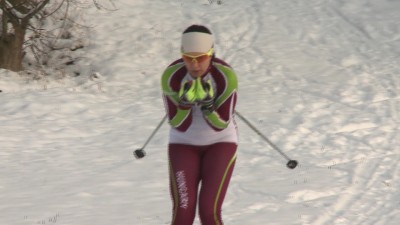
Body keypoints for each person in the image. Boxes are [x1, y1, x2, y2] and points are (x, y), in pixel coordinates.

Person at [161, 24, 239, 225]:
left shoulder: (225, 76)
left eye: (201, 58)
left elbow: (221, 124)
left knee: (209, 211)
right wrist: (185, 104)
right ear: (182, 55)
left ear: (211, 54)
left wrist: (207, 107)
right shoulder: (172, 76)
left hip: (221, 142)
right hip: (183, 143)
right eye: (189, 58)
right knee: (183, 213)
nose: (195, 65)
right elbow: (179, 124)